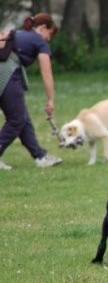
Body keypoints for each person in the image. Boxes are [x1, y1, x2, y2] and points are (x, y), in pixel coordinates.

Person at [0, 13, 63, 169]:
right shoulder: (39, 40)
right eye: (49, 34)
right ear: (42, 28)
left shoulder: (20, 34)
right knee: (17, 119)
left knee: (22, 118)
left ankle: (40, 156)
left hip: (6, 72)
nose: (48, 39)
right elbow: (47, 73)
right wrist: (50, 100)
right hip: (7, 74)